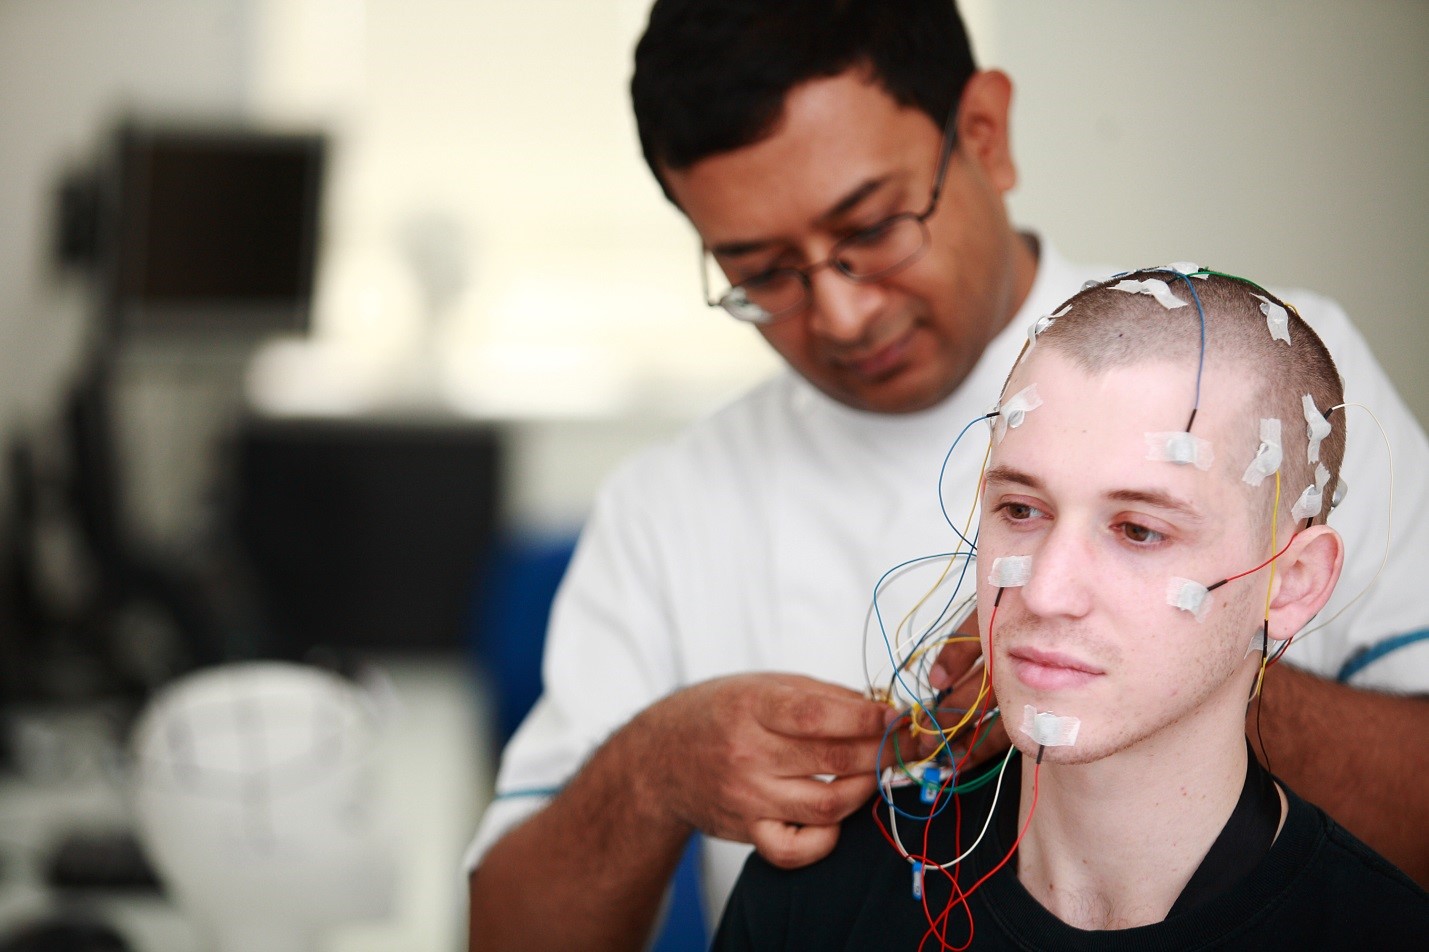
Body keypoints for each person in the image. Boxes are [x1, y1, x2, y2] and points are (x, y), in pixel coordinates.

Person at [466, 2, 1429, 946]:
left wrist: (1150, 671)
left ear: (984, 132)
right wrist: (657, 769)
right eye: (762, 272)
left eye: (874, 227)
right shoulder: (669, 505)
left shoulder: (1269, 382)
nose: (839, 314)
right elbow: (506, 933)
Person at [711, 269, 1429, 949]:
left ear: (1294, 583)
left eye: (1139, 530)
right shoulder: (811, 907)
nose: (1046, 592)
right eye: (1020, 509)